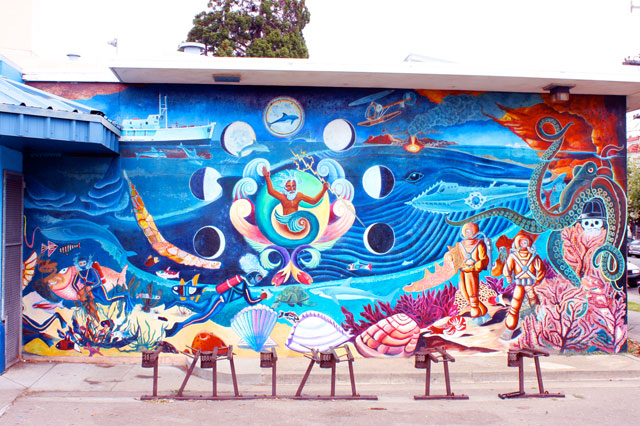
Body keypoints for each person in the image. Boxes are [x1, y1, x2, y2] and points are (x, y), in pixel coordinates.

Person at [502, 234, 546, 330]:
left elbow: (541, 269)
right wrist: (507, 276)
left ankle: (540, 318)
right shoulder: (513, 257)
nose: (523, 244)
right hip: (519, 283)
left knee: (533, 299)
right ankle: (512, 320)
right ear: (517, 244)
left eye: (525, 242)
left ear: (529, 243)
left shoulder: (533, 256)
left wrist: (538, 279)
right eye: (521, 242)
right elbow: (507, 268)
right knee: (516, 300)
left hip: (530, 283)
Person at [454, 222, 489, 318]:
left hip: (472, 272)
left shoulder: (479, 244)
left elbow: (484, 259)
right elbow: (457, 259)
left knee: (472, 294)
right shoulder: (460, 245)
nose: (469, 234)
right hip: (463, 271)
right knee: (465, 293)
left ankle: (476, 313)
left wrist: (475, 267)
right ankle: (483, 310)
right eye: (467, 231)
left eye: (471, 231)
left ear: (475, 232)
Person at [262, 166, 329, 215]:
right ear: (285, 188)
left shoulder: (298, 196)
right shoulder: (283, 197)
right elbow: (271, 191)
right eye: (289, 186)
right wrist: (267, 177)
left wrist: (324, 189)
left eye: (293, 186)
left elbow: (314, 201)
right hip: (285, 221)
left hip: (297, 221)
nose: (292, 189)